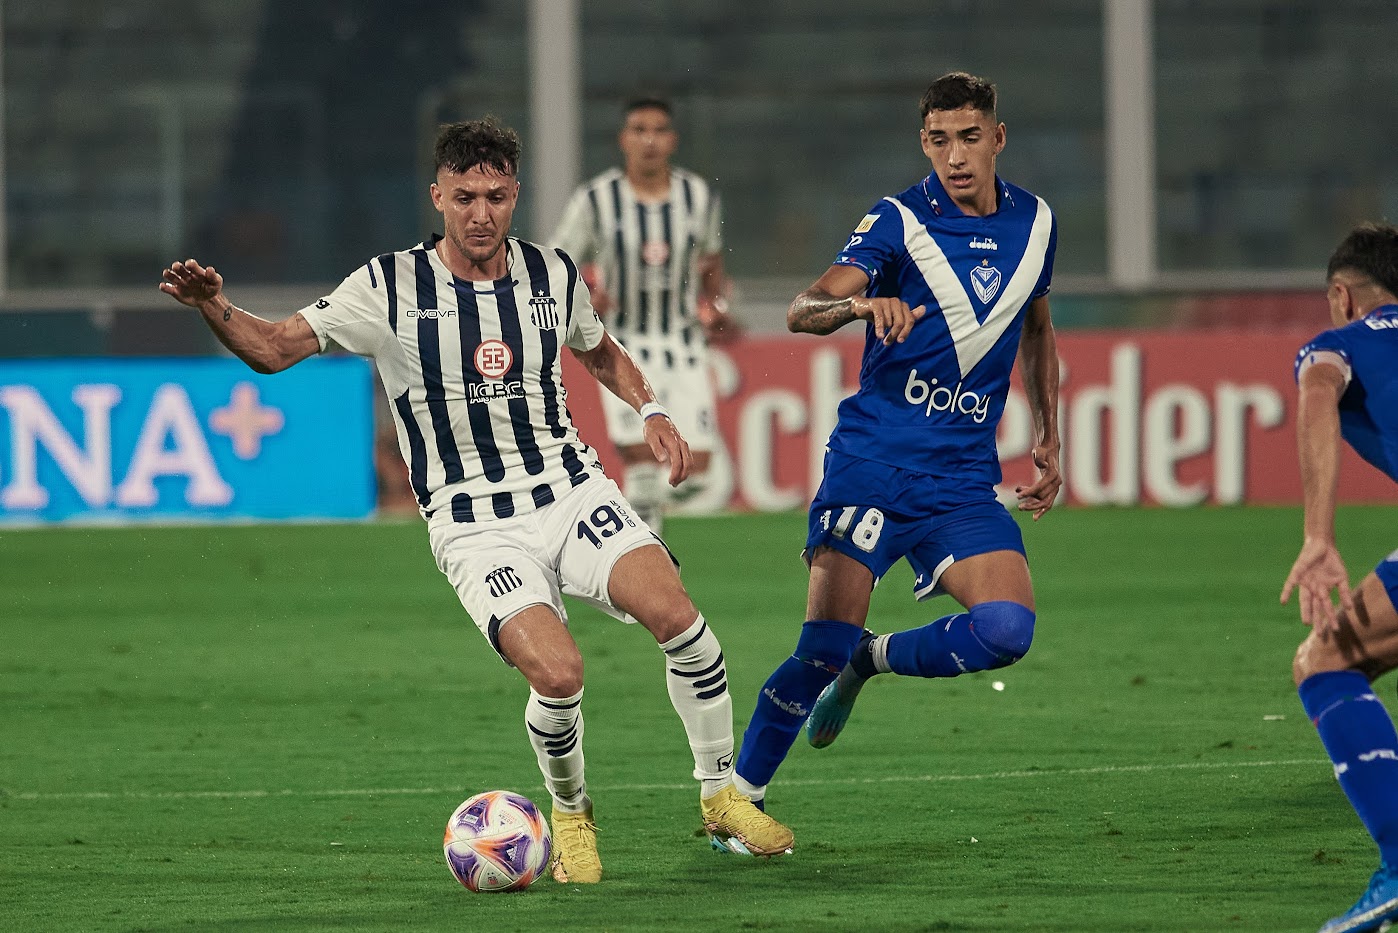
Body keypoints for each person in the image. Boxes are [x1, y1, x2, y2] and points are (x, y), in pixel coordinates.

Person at [158, 117, 792, 880]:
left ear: (515, 194)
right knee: (558, 674)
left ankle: (721, 796)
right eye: (465, 198)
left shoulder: (552, 273)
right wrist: (217, 307)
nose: (481, 213)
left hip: (568, 487)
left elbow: (597, 348)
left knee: (680, 618)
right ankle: (572, 814)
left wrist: (650, 408)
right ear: (439, 197)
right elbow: (273, 348)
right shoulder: (386, 286)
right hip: (473, 524)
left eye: (495, 196)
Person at [731, 72, 1062, 812]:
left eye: (970, 137)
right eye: (939, 140)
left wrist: (1049, 436)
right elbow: (802, 308)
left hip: (960, 479)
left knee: (1006, 629)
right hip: (873, 466)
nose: (956, 156)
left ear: (998, 138)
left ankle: (871, 658)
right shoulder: (898, 221)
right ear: (924, 143)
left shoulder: (1037, 223)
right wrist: (857, 306)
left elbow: (1038, 328)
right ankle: (739, 802)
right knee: (818, 648)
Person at [1282, 222, 1398, 933]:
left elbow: (1319, 394)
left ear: (1342, 295)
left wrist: (1319, 536)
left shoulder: (1337, 344)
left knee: (1326, 661)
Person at [551, 96, 737, 534]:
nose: (649, 140)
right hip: (623, 342)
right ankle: (642, 545)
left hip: (683, 342)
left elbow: (711, 260)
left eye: (658, 130)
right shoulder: (596, 199)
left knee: (698, 469)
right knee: (641, 456)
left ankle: (625, 510)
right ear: (623, 139)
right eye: (639, 130)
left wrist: (716, 305)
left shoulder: (697, 196)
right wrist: (584, 294)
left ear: (672, 140)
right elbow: (558, 261)